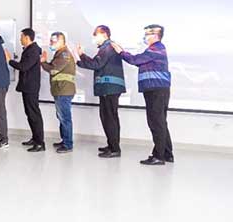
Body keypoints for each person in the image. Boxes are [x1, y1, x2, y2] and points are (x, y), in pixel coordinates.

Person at [112, 24, 173, 166]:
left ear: (155, 35)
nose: (144, 37)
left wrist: (121, 52)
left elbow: (135, 60)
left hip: (156, 89)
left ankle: (158, 156)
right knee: (160, 122)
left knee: (156, 123)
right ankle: (167, 154)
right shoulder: (155, 49)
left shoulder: (156, 49)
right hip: (157, 89)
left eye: (147, 34)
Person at [76, 25, 126, 158]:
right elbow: (96, 63)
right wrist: (81, 59)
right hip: (109, 88)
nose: (94, 38)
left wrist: (81, 56)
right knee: (109, 118)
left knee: (109, 118)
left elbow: (96, 64)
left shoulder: (107, 48)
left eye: (95, 35)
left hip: (109, 88)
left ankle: (114, 149)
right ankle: (112, 145)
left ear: (104, 34)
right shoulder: (107, 48)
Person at [6, 28, 44, 152]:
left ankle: (40, 143)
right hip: (27, 87)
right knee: (30, 114)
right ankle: (35, 138)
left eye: (21, 37)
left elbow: (24, 67)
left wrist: (10, 61)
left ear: (27, 38)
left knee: (34, 114)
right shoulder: (29, 49)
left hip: (31, 87)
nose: (20, 39)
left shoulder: (33, 50)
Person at [40, 32, 76, 154]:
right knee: (61, 117)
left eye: (53, 41)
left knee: (65, 118)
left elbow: (53, 69)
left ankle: (68, 144)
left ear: (61, 41)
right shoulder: (59, 54)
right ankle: (64, 140)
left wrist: (43, 62)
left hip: (64, 91)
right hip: (60, 90)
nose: (50, 43)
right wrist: (45, 63)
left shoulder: (64, 54)